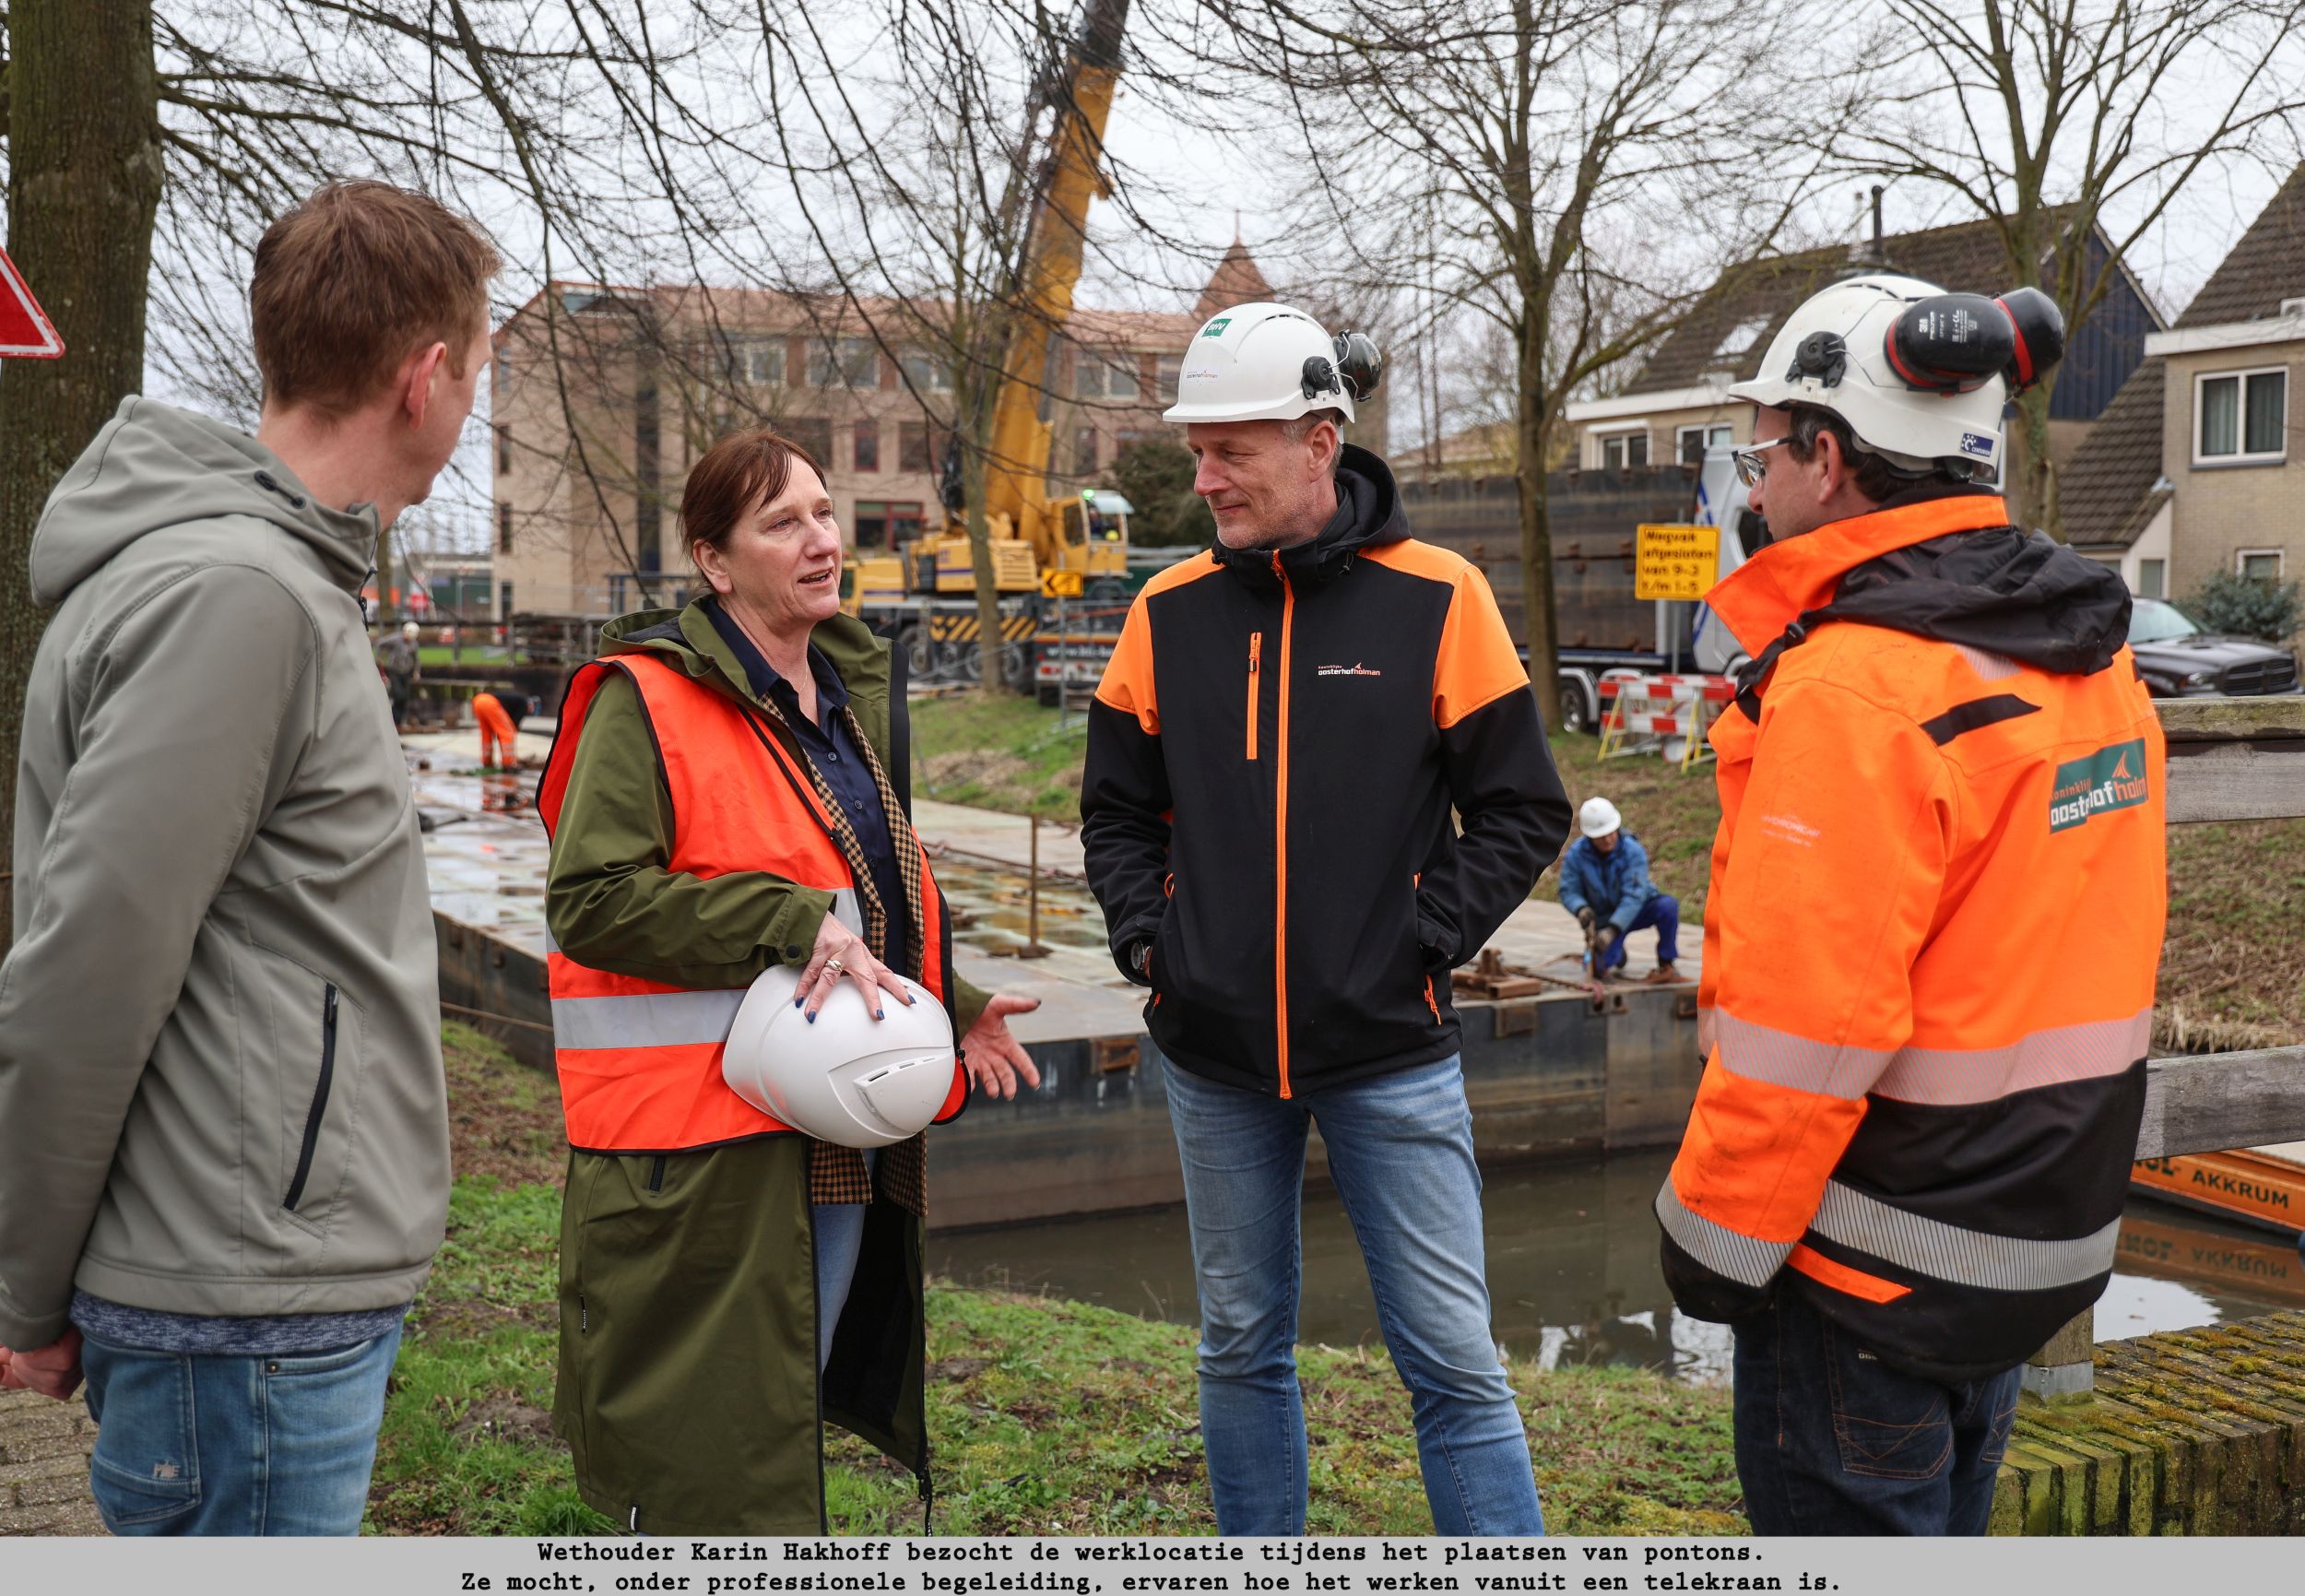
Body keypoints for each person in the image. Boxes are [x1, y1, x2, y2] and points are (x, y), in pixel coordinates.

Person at [0, 181, 496, 1534]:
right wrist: (24, 1289)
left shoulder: (259, 579)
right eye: (475, 375)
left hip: (254, 1282)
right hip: (245, 1307)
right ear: (426, 374)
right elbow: (88, 964)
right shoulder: (245, 597)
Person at [1653, 275, 2165, 1535]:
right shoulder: (2089, 656)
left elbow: (1804, 1021)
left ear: (1826, 457)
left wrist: (1711, 1246)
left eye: (1758, 450)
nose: (1750, 483)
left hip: (1864, 1277)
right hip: (2018, 1250)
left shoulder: (1858, 687)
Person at [1081, 302, 1572, 1536]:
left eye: (1229, 448)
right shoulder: (1169, 610)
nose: (1203, 475)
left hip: (1388, 1054)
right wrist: (1154, 943)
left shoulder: (1438, 596)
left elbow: (1522, 805)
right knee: (1241, 1341)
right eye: (1197, 447)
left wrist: (1423, 933)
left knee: (1454, 1362)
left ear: (1318, 439)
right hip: (1215, 1055)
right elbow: (1116, 811)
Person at [538, 427, 1044, 1535]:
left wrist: (948, 1002)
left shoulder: (838, 698)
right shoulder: (645, 696)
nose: (823, 541)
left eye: (825, 513)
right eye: (784, 523)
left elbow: (853, 886)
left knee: (769, 1425)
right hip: (695, 1154)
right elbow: (592, 902)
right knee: (696, 1458)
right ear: (714, 562)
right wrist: (783, 922)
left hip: (818, 1133)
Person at [1558, 796, 1679, 983]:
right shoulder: (1576, 855)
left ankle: (1666, 962)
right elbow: (1568, 890)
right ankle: (1616, 953)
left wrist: (1613, 930)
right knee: (1596, 969)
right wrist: (1580, 908)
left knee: (1667, 906)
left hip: (1636, 911)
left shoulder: (1633, 851)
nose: (1607, 840)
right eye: (1601, 836)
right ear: (1589, 836)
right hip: (1604, 919)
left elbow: (1634, 895)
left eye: (1611, 833)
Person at [473, 682, 530, 769]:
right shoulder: (524, 703)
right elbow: (513, 725)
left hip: (479, 700)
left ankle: (487, 762)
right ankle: (509, 764)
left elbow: (505, 720)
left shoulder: (515, 701)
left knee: (487, 735)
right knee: (508, 734)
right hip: (491, 703)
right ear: (530, 703)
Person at [378, 619, 422, 728]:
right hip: (394, 670)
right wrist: (380, 657)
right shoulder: (395, 639)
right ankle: (393, 719)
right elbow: (380, 643)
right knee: (398, 694)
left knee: (405, 697)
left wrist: (416, 671)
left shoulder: (414, 644)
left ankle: (398, 721)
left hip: (406, 671)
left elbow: (416, 659)